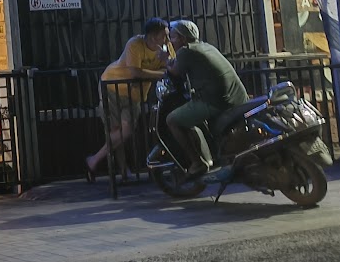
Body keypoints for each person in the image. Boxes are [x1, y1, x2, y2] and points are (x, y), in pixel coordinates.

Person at [86, 18, 171, 181]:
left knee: (126, 131)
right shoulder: (135, 44)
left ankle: (94, 160)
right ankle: (124, 170)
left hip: (135, 94)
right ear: (152, 37)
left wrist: (166, 61)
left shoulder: (166, 47)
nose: (167, 39)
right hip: (112, 87)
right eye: (164, 36)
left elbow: (172, 67)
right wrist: (161, 72)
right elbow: (135, 72)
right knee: (116, 131)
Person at [164, 20, 249, 177]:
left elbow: (175, 71)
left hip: (216, 101)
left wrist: (164, 59)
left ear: (183, 38)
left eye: (173, 37)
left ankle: (197, 163)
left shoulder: (185, 51)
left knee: (172, 120)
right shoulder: (206, 46)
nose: (171, 41)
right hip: (236, 97)